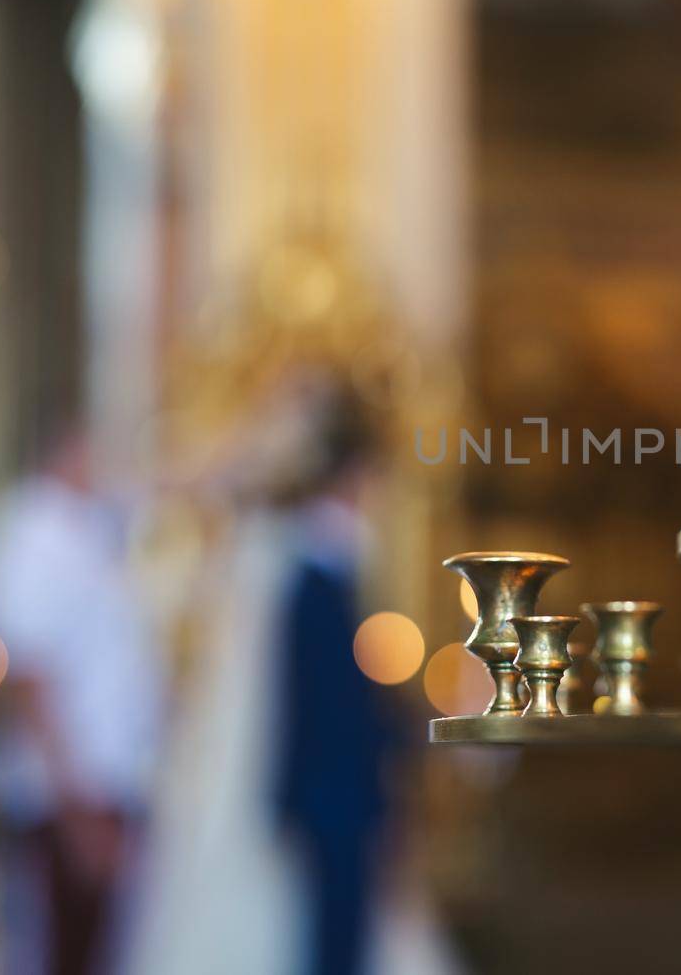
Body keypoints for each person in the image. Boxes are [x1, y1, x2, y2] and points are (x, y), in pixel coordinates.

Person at [0, 421, 163, 975]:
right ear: (67, 448)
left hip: (103, 784)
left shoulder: (88, 527)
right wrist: (76, 810)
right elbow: (29, 678)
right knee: (61, 954)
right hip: (66, 796)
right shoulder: (32, 536)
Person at [268, 383, 410, 975]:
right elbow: (331, 697)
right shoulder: (318, 578)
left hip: (337, 790)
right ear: (352, 475)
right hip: (335, 792)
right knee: (334, 945)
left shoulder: (330, 571)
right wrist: (401, 738)